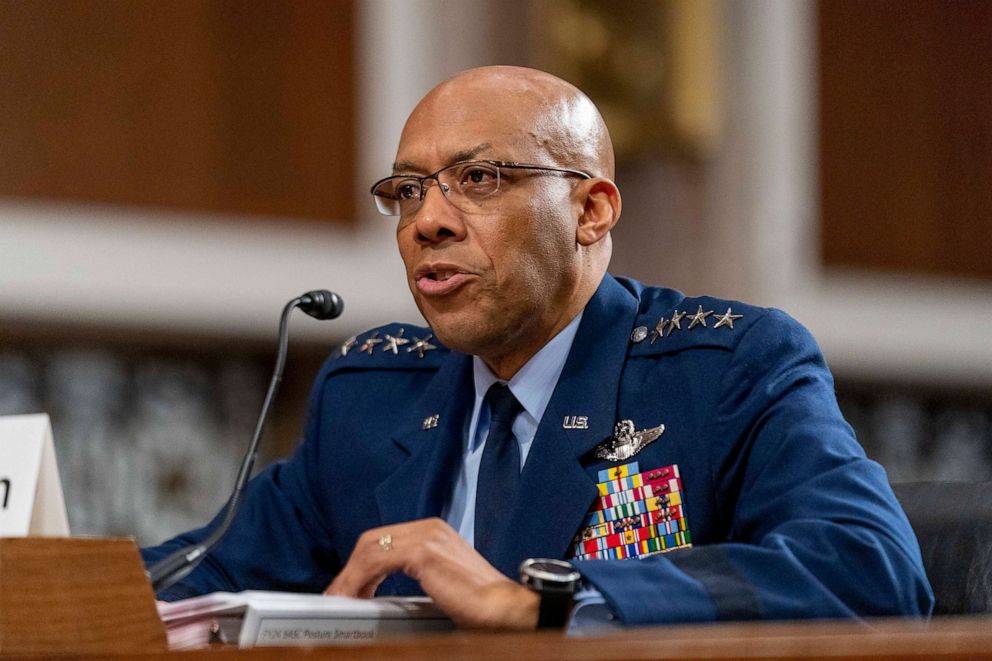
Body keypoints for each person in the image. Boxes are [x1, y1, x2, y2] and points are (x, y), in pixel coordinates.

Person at [142, 66, 933, 630]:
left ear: (591, 210)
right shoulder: (371, 393)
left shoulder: (725, 369)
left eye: (479, 178)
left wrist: (545, 600)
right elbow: (199, 574)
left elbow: (871, 569)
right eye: (407, 191)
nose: (428, 221)